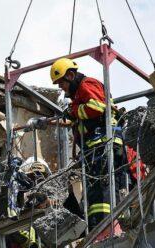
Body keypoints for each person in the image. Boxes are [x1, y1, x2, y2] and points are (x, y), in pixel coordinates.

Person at [50, 58, 127, 233]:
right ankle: (100, 226)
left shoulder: (87, 84)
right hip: (97, 149)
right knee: (98, 191)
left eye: (61, 83)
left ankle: (105, 227)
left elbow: (96, 107)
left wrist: (74, 111)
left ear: (70, 75)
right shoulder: (79, 94)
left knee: (103, 190)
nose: (60, 87)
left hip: (103, 146)